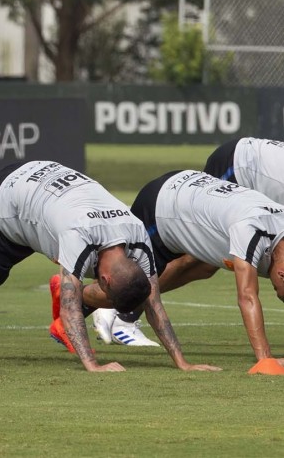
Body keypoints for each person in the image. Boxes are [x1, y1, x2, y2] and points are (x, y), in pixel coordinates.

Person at [0, 161, 220, 373]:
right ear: (104, 279)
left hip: (41, 199)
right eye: (101, 291)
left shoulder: (137, 235)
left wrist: (183, 363)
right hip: (7, 201)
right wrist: (93, 365)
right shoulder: (80, 237)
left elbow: (154, 301)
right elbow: (69, 308)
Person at [94, 137, 284, 344]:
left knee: (205, 267)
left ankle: (123, 303)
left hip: (252, 173)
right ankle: (121, 306)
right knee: (194, 256)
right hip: (239, 165)